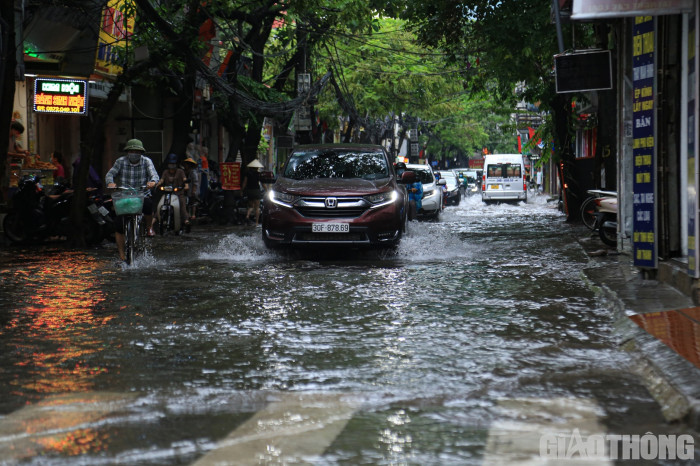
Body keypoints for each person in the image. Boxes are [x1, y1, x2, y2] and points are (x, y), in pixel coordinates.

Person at [105, 139, 159, 261]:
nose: (134, 153)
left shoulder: (146, 161)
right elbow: (110, 174)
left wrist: (152, 182)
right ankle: (122, 255)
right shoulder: (120, 162)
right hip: (125, 196)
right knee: (118, 225)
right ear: (127, 152)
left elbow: (154, 175)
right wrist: (111, 183)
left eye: (137, 151)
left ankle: (149, 227)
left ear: (141, 152)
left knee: (149, 205)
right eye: (131, 151)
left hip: (142, 194)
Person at [155, 153, 189, 228]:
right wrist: (158, 184)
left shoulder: (180, 171)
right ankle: (154, 220)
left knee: (182, 204)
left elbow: (184, 179)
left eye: (173, 163)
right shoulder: (165, 172)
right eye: (170, 163)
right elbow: (162, 179)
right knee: (161, 204)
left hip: (179, 193)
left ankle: (186, 220)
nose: (171, 165)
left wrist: (186, 185)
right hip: (168, 193)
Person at [241, 159, 263, 226]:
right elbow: (263, 183)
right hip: (256, 191)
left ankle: (247, 216)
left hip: (249, 191)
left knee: (251, 206)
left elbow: (244, 183)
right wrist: (267, 190)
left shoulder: (247, 174)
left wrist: (241, 190)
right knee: (257, 208)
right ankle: (256, 223)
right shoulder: (258, 174)